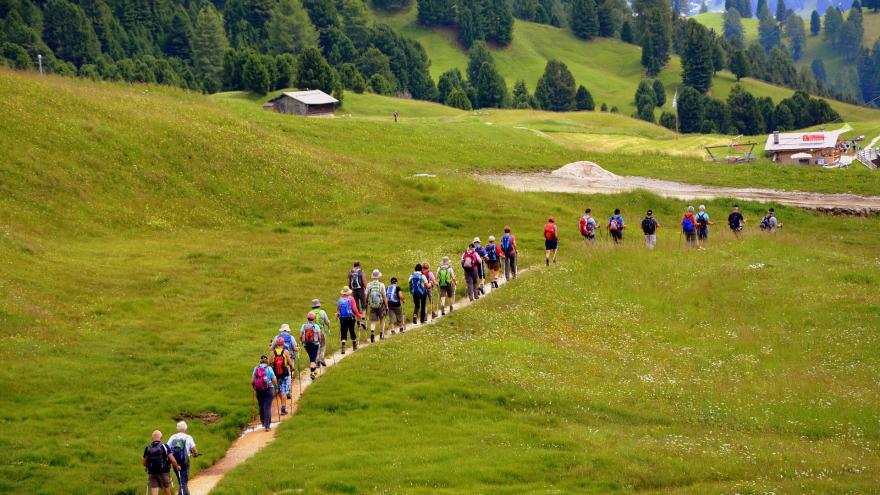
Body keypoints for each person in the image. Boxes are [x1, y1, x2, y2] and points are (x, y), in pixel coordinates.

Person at [143, 430, 181, 495]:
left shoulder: (148, 448)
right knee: (166, 490)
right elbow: (172, 460)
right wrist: (177, 466)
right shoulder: (164, 446)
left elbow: (144, 462)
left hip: (152, 472)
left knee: (154, 492)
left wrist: (148, 467)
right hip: (164, 472)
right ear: (161, 437)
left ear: (152, 438)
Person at [168, 422, 199, 495]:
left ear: (177, 429)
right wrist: (195, 454)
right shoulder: (188, 437)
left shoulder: (173, 437)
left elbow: (167, 449)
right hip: (185, 462)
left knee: (182, 481)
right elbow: (195, 451)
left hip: (175, 462)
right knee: (183, 482)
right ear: (185, 429)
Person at [251, 355, 277, 431]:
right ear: (267, 361)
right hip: (269, 389)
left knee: (261, 406)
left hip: (259, 390)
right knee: (267, 407)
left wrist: (254, 387)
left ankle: (263, 422)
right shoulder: (269, 368)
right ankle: (267, 426)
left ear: (260, 361)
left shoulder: (256, 368)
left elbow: (252, 381)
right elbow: (274, 379)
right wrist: (276, 386)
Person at [270, 337, 293, 414]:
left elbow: (269, 363)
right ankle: (283, 409)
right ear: (283, 344)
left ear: (276, 344)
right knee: (284, 391)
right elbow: (290, 363)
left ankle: (282, 404)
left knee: (279, 390)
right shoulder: (286, 352)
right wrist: (292, 368)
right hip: (284, 374)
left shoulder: (272, 353)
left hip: (275, 374)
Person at [336, 286, 362, 354]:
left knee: (343, 331)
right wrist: (359, 315)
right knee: (352, 330)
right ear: (348, 292)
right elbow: (354, 309)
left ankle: (343, 348)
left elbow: (338, 310)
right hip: (351, 318)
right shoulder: (351, 298)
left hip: (342, 318)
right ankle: (354, 345)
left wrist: (337, 315)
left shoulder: (340, 299)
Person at [365, 269, 388, 342]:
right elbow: (384, 296)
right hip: (380, 305)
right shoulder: (381, 285)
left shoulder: (369, 285)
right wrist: (387, 306)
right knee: (382, 319)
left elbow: (366, 296)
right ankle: (381, 334)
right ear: (378, 276)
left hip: (372, 305)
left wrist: (366, 303)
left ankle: (372, 334)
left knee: (373, 321)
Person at [300, 313, 323, 380]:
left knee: (312, 356)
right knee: (313, 358)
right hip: (315, 344)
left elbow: (300, 336)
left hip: (306, 344)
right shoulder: (316, 326)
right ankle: (312, 373)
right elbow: (319, 336)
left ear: (307, 318)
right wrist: (319, 341)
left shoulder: (304, 326)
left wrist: (302, 342)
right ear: (314, 318)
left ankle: (314, 370)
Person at [310, 299, 331, 367]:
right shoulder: (322, 312)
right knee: (323, 345)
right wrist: (329, 326)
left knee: (317, 346)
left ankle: (317, 361)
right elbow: (327, 322)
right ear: (319, 305)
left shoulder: (310, 313)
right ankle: (322, 358)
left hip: (313, 333)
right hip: (321, 331)